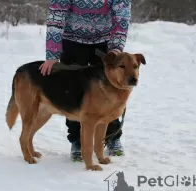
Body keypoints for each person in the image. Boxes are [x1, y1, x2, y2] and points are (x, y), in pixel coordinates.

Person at [39, 0, 132, 162]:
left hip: (105, 44)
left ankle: (112, 137)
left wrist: (115, 50)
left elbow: (122, 19)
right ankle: (77, 141)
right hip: (72, 42)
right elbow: (56, 17)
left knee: (112, 92)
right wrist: (52, 55)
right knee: (73, 93)